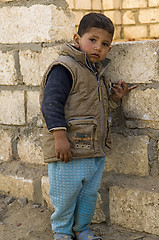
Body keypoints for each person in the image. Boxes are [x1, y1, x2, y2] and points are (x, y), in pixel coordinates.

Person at [40, 13, 136, 240]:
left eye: (104, 44)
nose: (98, 48)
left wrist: (114, 99)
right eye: (92, 40)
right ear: (77, 39)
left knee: (88, 195)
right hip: (68, 151)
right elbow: (51, 104)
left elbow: (97, 110)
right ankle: (62, 232)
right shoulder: (64, 68)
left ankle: (81, 229)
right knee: (65, 196)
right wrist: (60, 137)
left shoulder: (99, 74)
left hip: (94, 152)